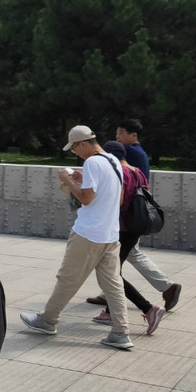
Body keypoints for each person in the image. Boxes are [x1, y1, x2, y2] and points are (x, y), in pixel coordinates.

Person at [21, 125, 134, 350]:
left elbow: (86, 199)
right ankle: (121, 333)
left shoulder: (91, 162)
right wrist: (83, 181)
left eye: (74, 149)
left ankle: (48, 321)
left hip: (88, 233)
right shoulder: (113, 161)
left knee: (67, 278)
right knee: (113, 284)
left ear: (82, 144)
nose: (75, 153)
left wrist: (68, 180)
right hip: (110, 235)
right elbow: (118, 199)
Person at [87, 119, 182, 311]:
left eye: (121, 133)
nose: (118, 137)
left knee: (115, 264)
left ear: (133, 135)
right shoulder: (140, 153)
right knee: (123, 258)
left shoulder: (127, 153)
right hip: (134, 216)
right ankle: (110, 296)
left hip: (126, 218)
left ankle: (162, 290)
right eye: (117, 134)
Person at [89, 141, 164, 334]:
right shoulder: (137, 171)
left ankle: (148, 309)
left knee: (112, 273)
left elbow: (118, 201)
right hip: (135, 228)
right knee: (113, 271)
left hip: (120, 229)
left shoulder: (119, 173)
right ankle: (110, 312)